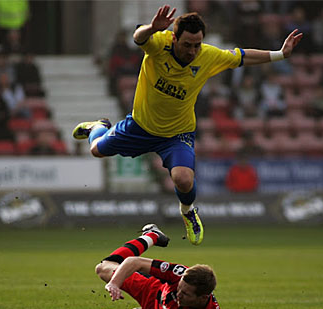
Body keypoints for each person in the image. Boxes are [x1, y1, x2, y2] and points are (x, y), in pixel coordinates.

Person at [72, 5, 302, 245]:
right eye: (187, 45)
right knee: (96, 149)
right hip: (139, 127)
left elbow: (242, 56)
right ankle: (97, 126)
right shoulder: (160, 44)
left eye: (197, 44)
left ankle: (188, 211)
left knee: (183, 179)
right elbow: (138, 38)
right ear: (174, 38)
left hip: (177, 133)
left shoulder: (208, 56)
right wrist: (152, 28)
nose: (193, 51)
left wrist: (280, 54)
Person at [96, 223, 221, 309]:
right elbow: (134, 262)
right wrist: (114, 284)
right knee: (102, 268)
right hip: (152, 291)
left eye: (185, 294)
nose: (178, 294)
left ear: (203, 298)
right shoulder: (179, 273)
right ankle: (152, 235)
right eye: (179, 288)